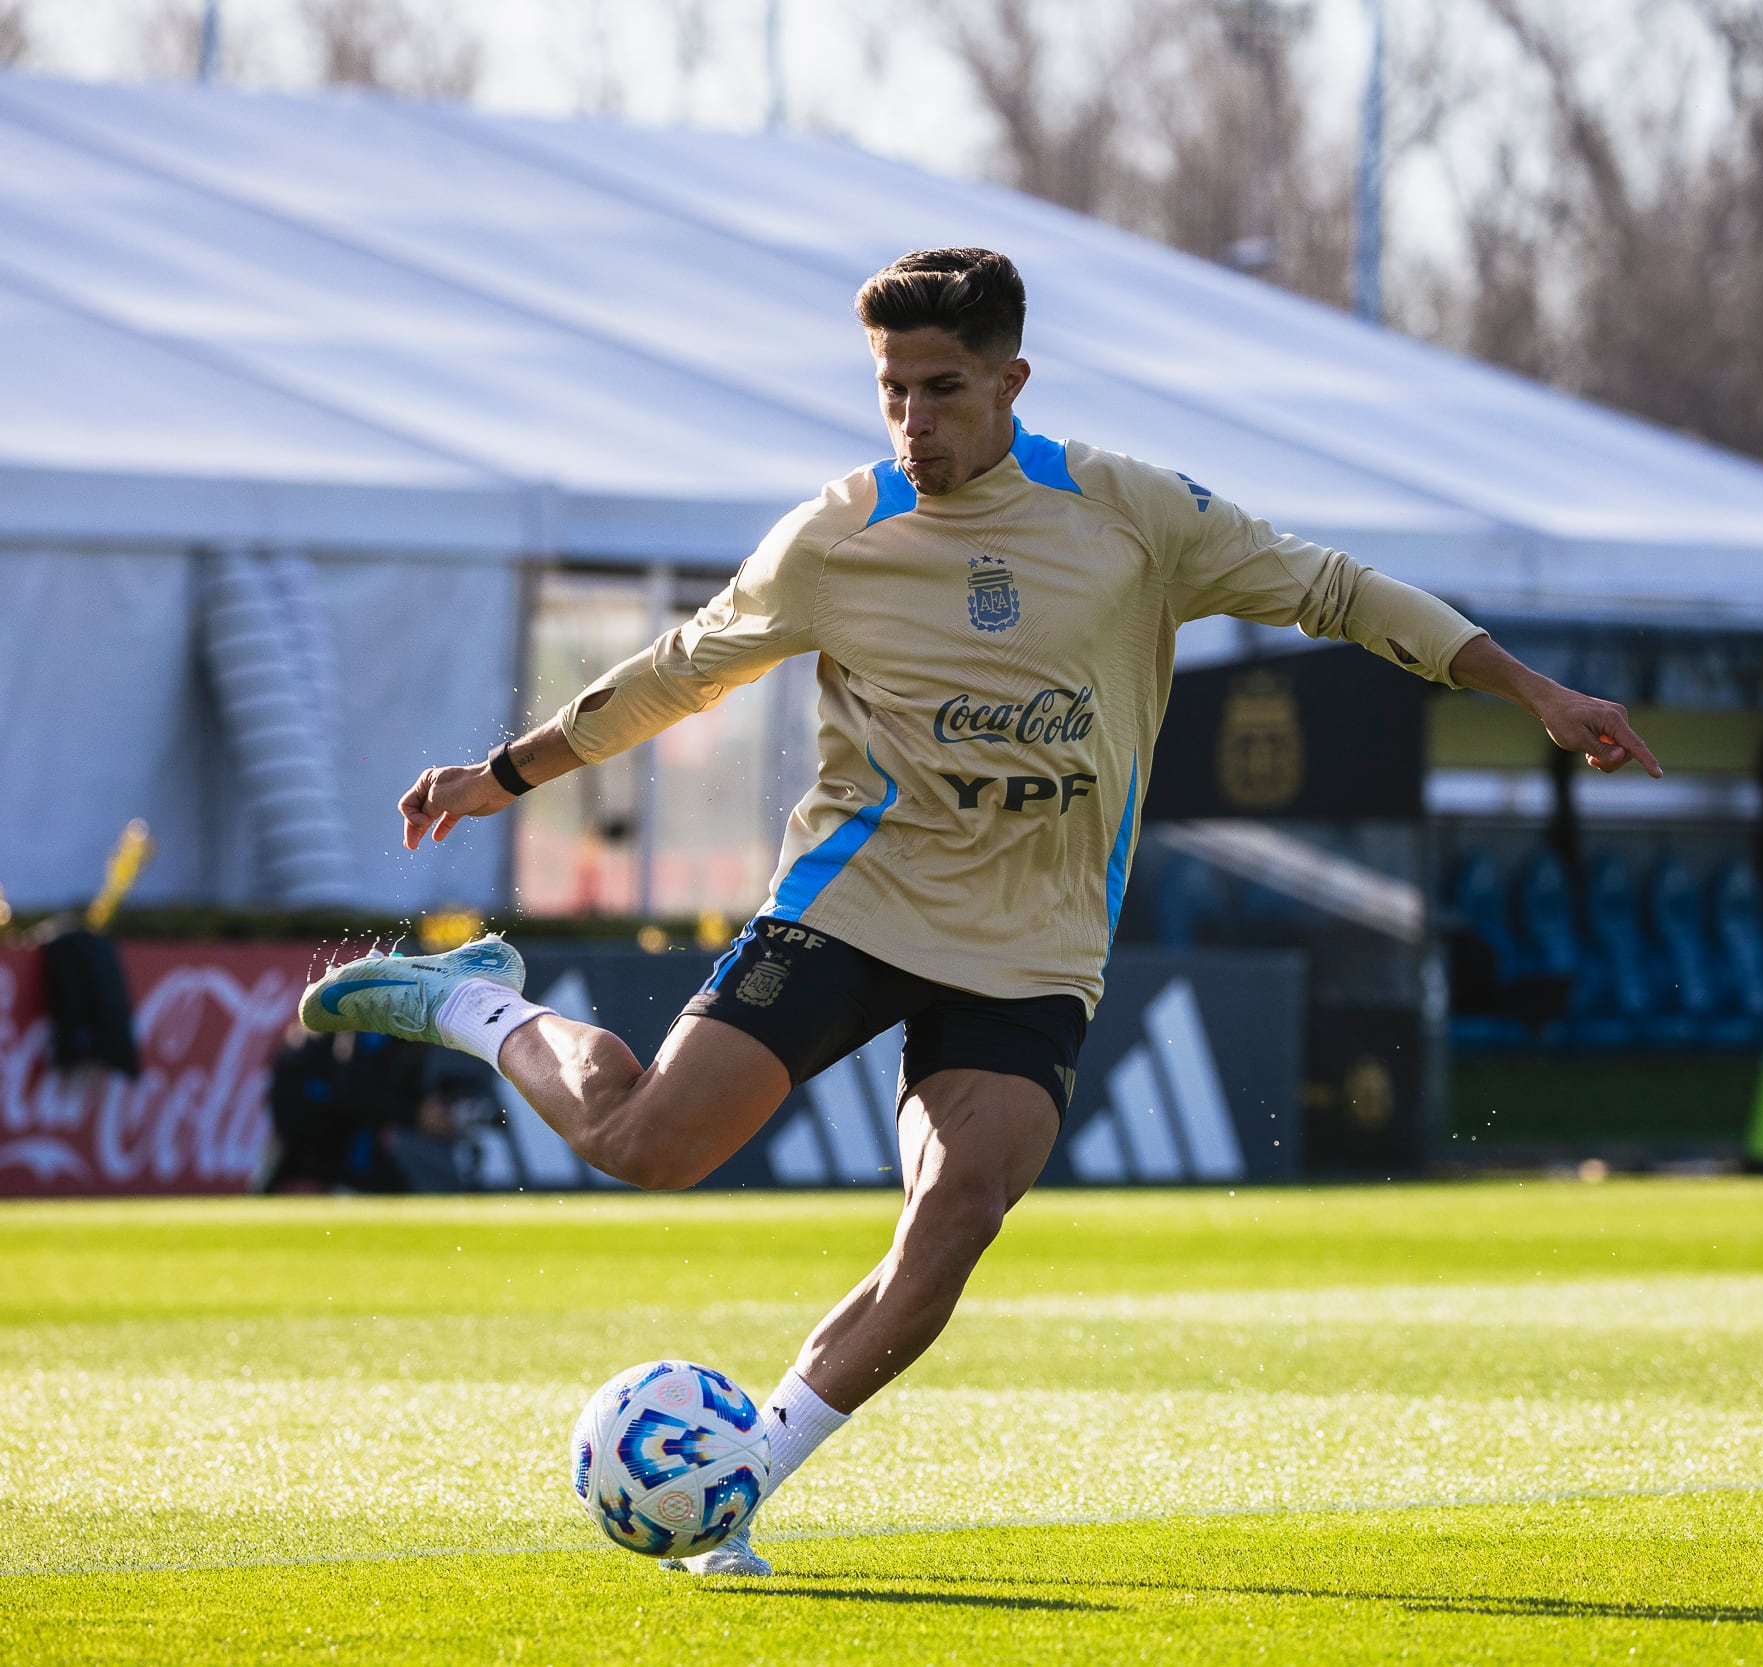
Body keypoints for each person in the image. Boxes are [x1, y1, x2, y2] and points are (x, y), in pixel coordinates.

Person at [298, 248, 1661, 1575]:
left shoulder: (1134, 516)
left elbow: (1338, 590)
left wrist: (1534, 688)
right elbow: (677, 669)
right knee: (646, 1143)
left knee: (955, 1214)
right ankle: (478, 998)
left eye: (941, 388)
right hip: (856, 900)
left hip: (1035, 945)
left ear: (1014, 378)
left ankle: (742, 1482)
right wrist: (507, 772)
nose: (912, 420)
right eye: (891, 388)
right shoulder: (838, 534)